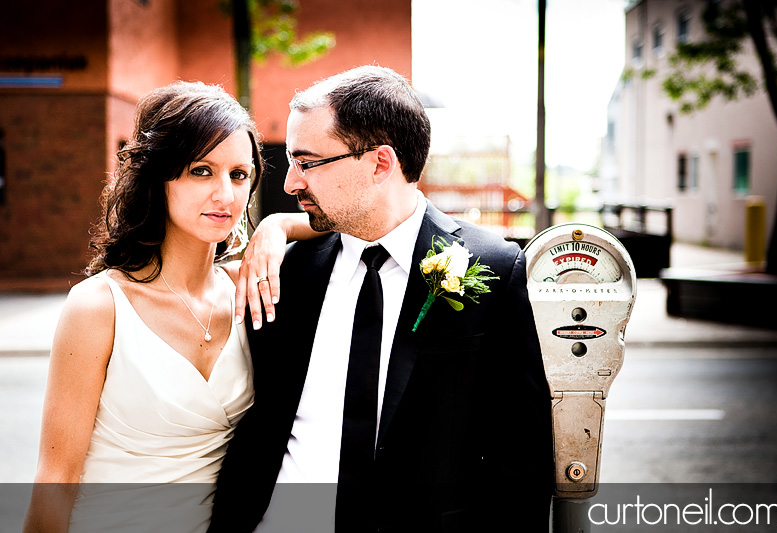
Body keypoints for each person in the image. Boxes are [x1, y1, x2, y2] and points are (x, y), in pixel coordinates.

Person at [210, 65, 554, 532]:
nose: (291, 184)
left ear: (380, 163)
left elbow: (522, 457)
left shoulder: (494, 268)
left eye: (307, 162)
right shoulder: (286, 272)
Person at [23, 80, 290, 532]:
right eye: (200, 171)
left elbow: (342, 225)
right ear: (158, 176)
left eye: (239, 174)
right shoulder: (99, 307)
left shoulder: (246, 289)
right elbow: (57, 479)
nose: (225, 195)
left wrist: (279, 224)